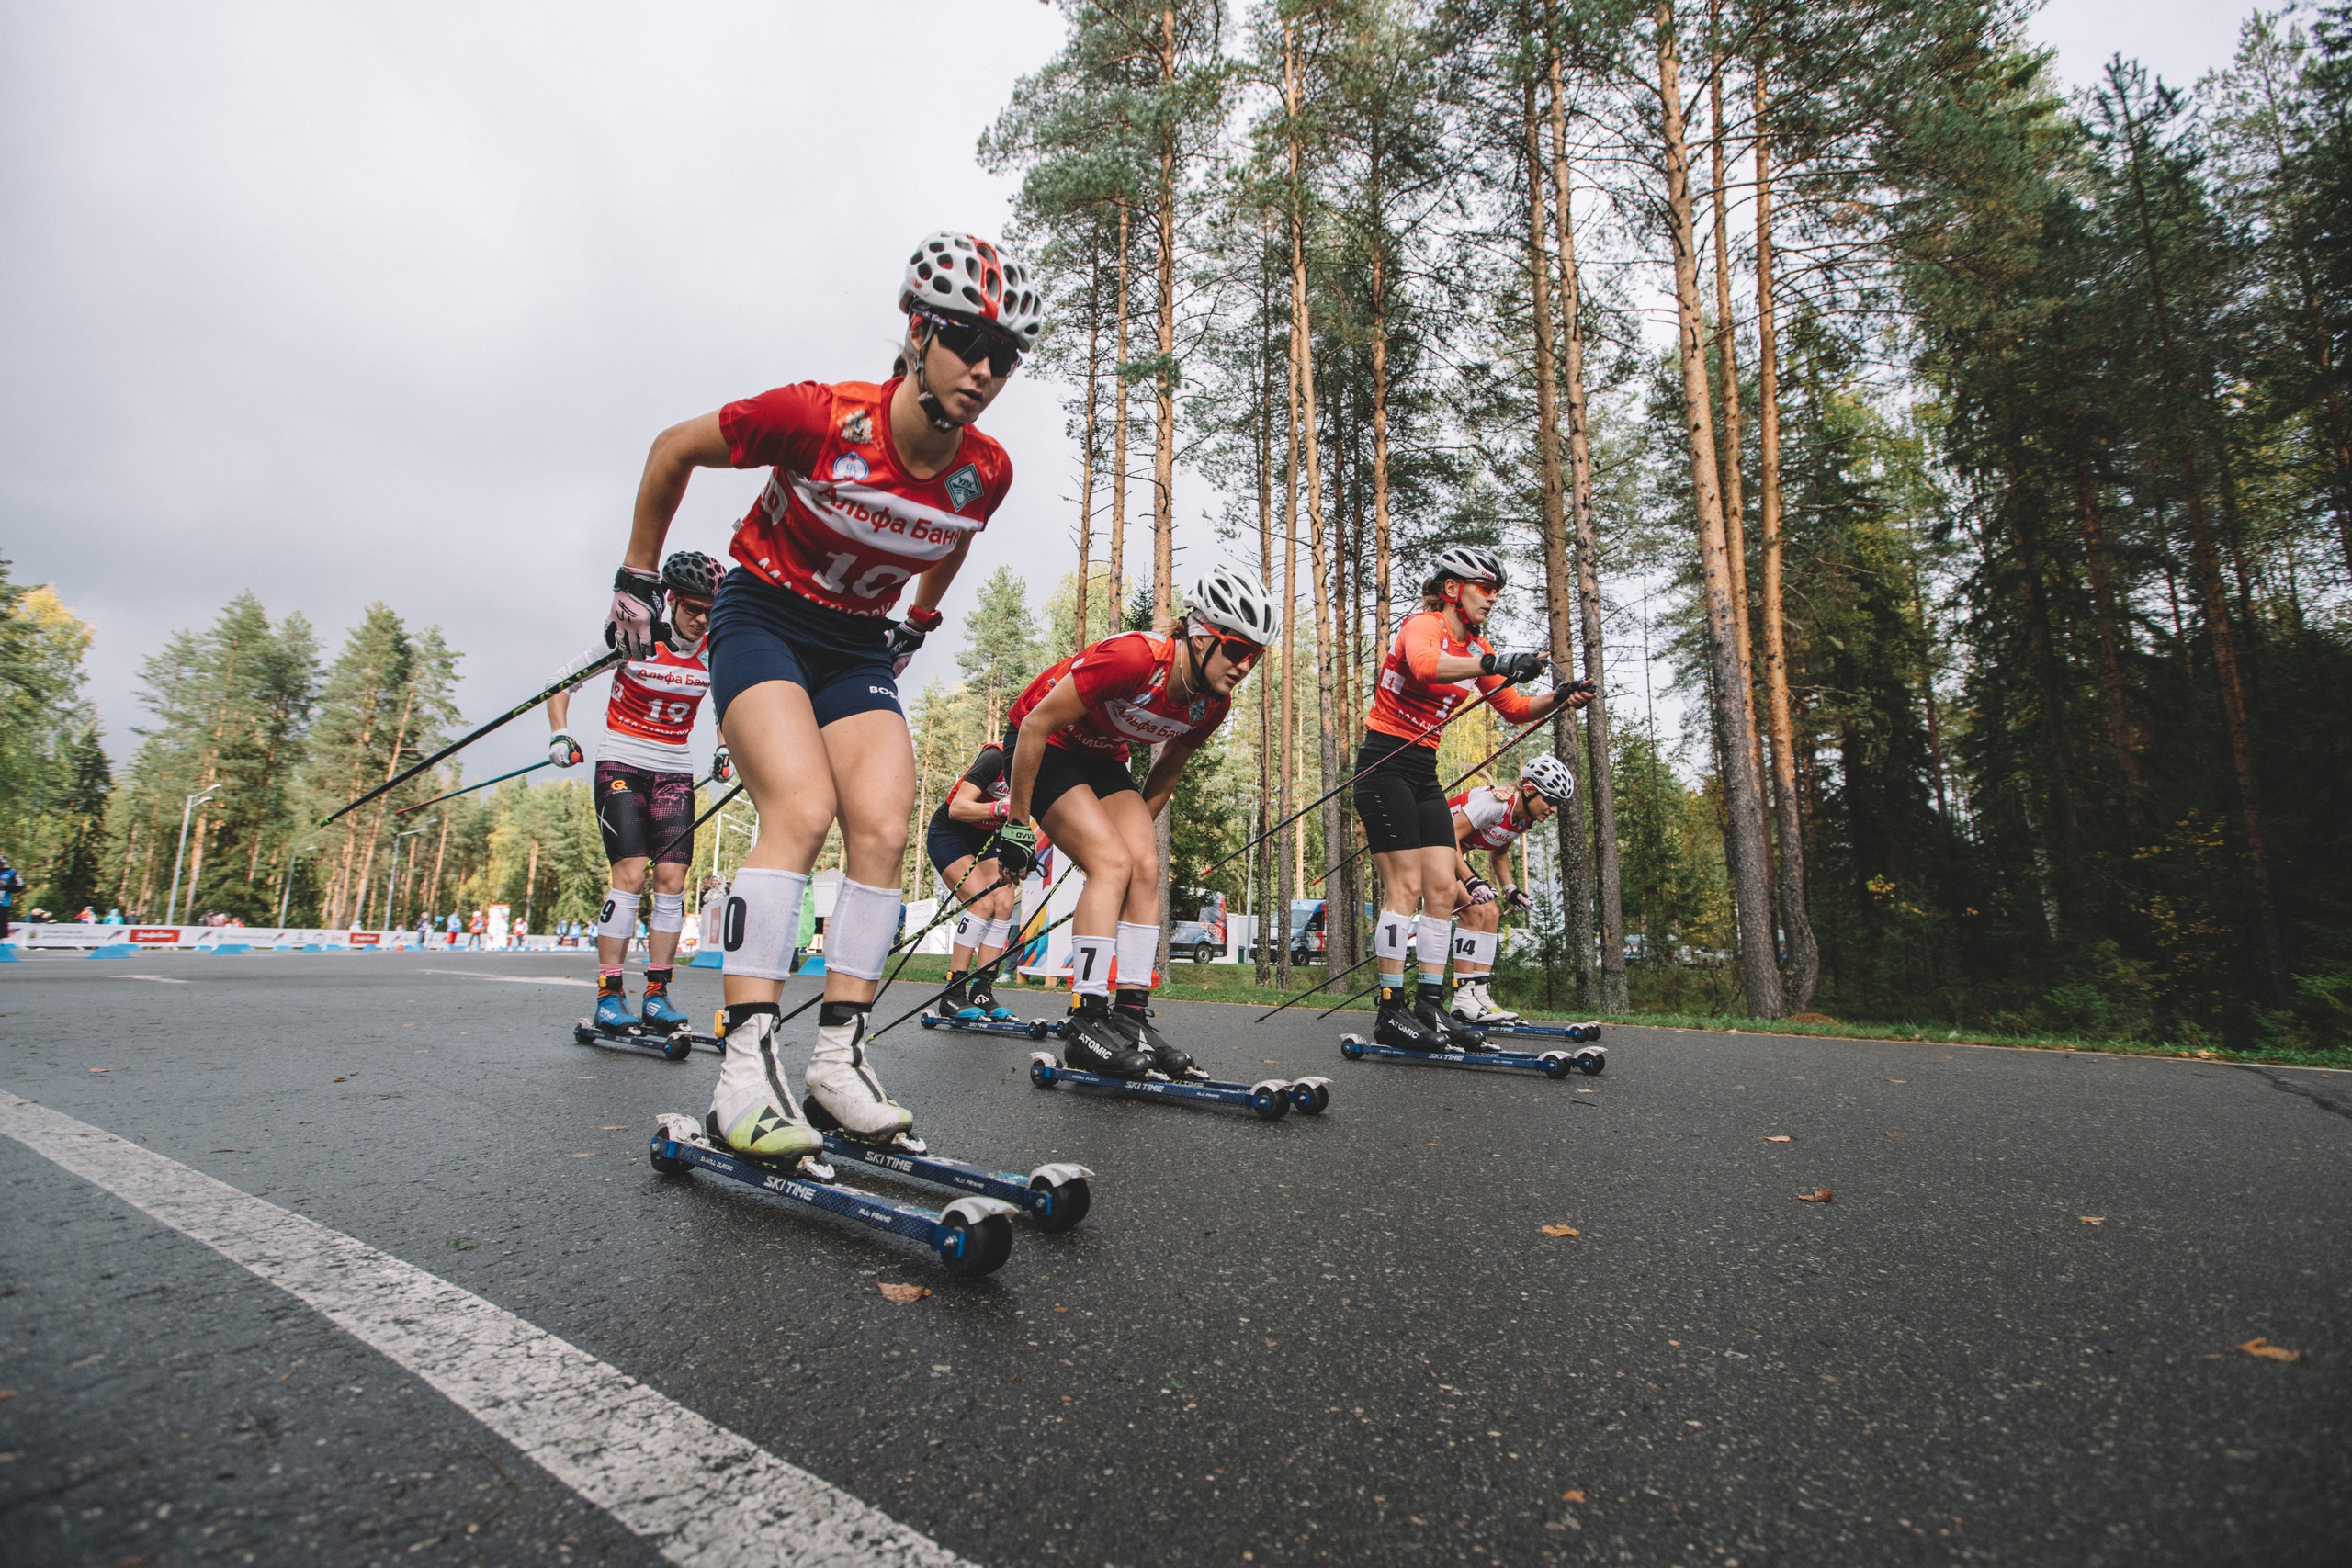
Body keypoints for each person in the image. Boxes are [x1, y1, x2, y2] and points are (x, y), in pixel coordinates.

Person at [608, 230, 1041, 1160]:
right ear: (918, 331)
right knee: (802, 809)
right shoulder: (818, 417)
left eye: (1005, 356)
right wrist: (638, 576)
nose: (985, 369)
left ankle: (837, 1062)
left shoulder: (988, 470)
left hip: (854, 643)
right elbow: (673, 448)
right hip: (763, 614)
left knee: (882, 824)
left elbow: (956, 531)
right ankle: (743, 1070)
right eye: (969, 341)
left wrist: (919, 618)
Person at [1001, 565, 1279, 1079]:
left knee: (1145, 866)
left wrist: (1125, 840)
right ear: (1201, 637)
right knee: (1110, 863)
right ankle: (1086, 1020)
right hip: (1045, 744)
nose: (1245, 665)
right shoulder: (1134, 659)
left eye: (1255, 656)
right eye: (1238, 649)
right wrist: (1018, 826)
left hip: (1103, 757)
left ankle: (1129, 1015)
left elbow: (1165, 774)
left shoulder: (1211, 704)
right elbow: (1036, 724)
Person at [1353, 545, 1593, 1054]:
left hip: (1422, 771)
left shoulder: (1476, 647)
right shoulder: (1424, 626)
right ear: (1451, 589)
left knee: (1443, 890)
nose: (1492, 598)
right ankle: (1390, 1009)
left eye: (1496, 591)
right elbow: (1424, 667)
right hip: (1384, 764)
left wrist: (1560, 696)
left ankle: (1430, 1005)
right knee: (1406, 887)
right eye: (1484, 588)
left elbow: (1515, 708)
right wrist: (1495, 661)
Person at [548, 549, 729, 1037]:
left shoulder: (714, 652)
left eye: (710, 610)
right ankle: (609, 996)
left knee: (672, 880)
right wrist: (560, 733)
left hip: (673, 771)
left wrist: (723, 747)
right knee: (630, 874)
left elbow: (726, 706)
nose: (701, 619)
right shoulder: (635, 638)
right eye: (692, 608)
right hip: (621, 763)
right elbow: (561, 682)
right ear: (670, 600)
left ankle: (656, 995)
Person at [1443, 754, 1575, 1024]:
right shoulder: (1495, 803)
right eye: (1551, 800)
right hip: (1429, 845)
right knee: (1475, 912)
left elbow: (1500, 854)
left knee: (1491, 913)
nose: (1554, 809)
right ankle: (1463, 997)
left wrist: (1511, 890)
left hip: (1448, 853)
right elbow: (1447, 835)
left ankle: (1479, 993)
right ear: (1530, 790)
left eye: (1558, 803)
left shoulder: (1523, 818)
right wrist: (1470, 880)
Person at [922, 738, 1026, 1022]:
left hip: (988, 837)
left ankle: (982, 990)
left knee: (1004, 903)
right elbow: (957, 808)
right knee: (981, 901)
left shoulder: (1044, 765)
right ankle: (953, 991)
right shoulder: (997, 756)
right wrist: (997, 808)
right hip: (951, 833)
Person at [0, 856, 21, 942]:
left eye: (1, 863)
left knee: (2, 925)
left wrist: (6, 884)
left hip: (3, 903)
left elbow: (20, 886)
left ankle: (1, 943)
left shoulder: (12, 873)